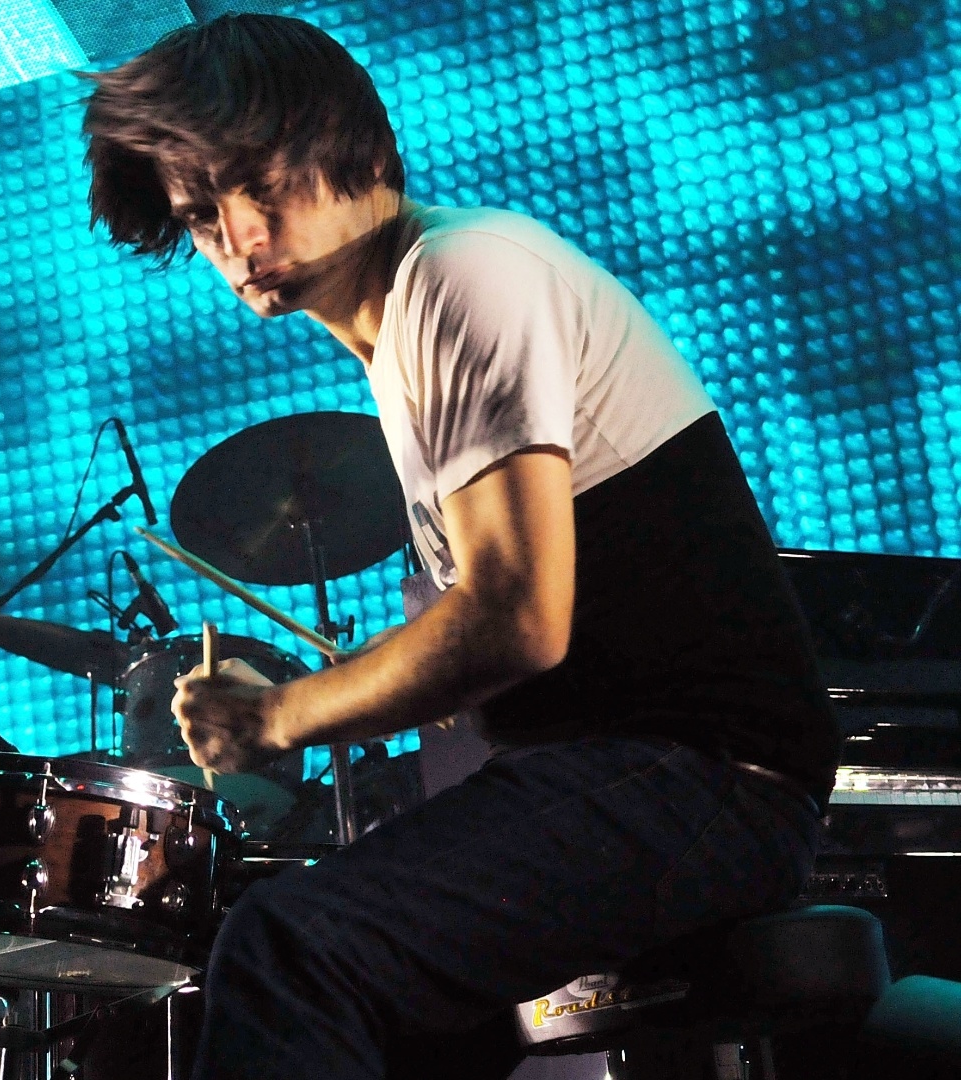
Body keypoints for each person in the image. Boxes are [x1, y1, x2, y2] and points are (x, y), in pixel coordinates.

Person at [81, 15, 837, 1079]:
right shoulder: (403, 337)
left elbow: (518, 622)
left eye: (263, 187)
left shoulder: (465, 271)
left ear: (367, 156)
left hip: (705, 777)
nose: (241, 239)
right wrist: (325, 692)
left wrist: (279, 717)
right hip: (633, 771)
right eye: (203, 216)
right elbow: (474, 662)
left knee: (289, 945)